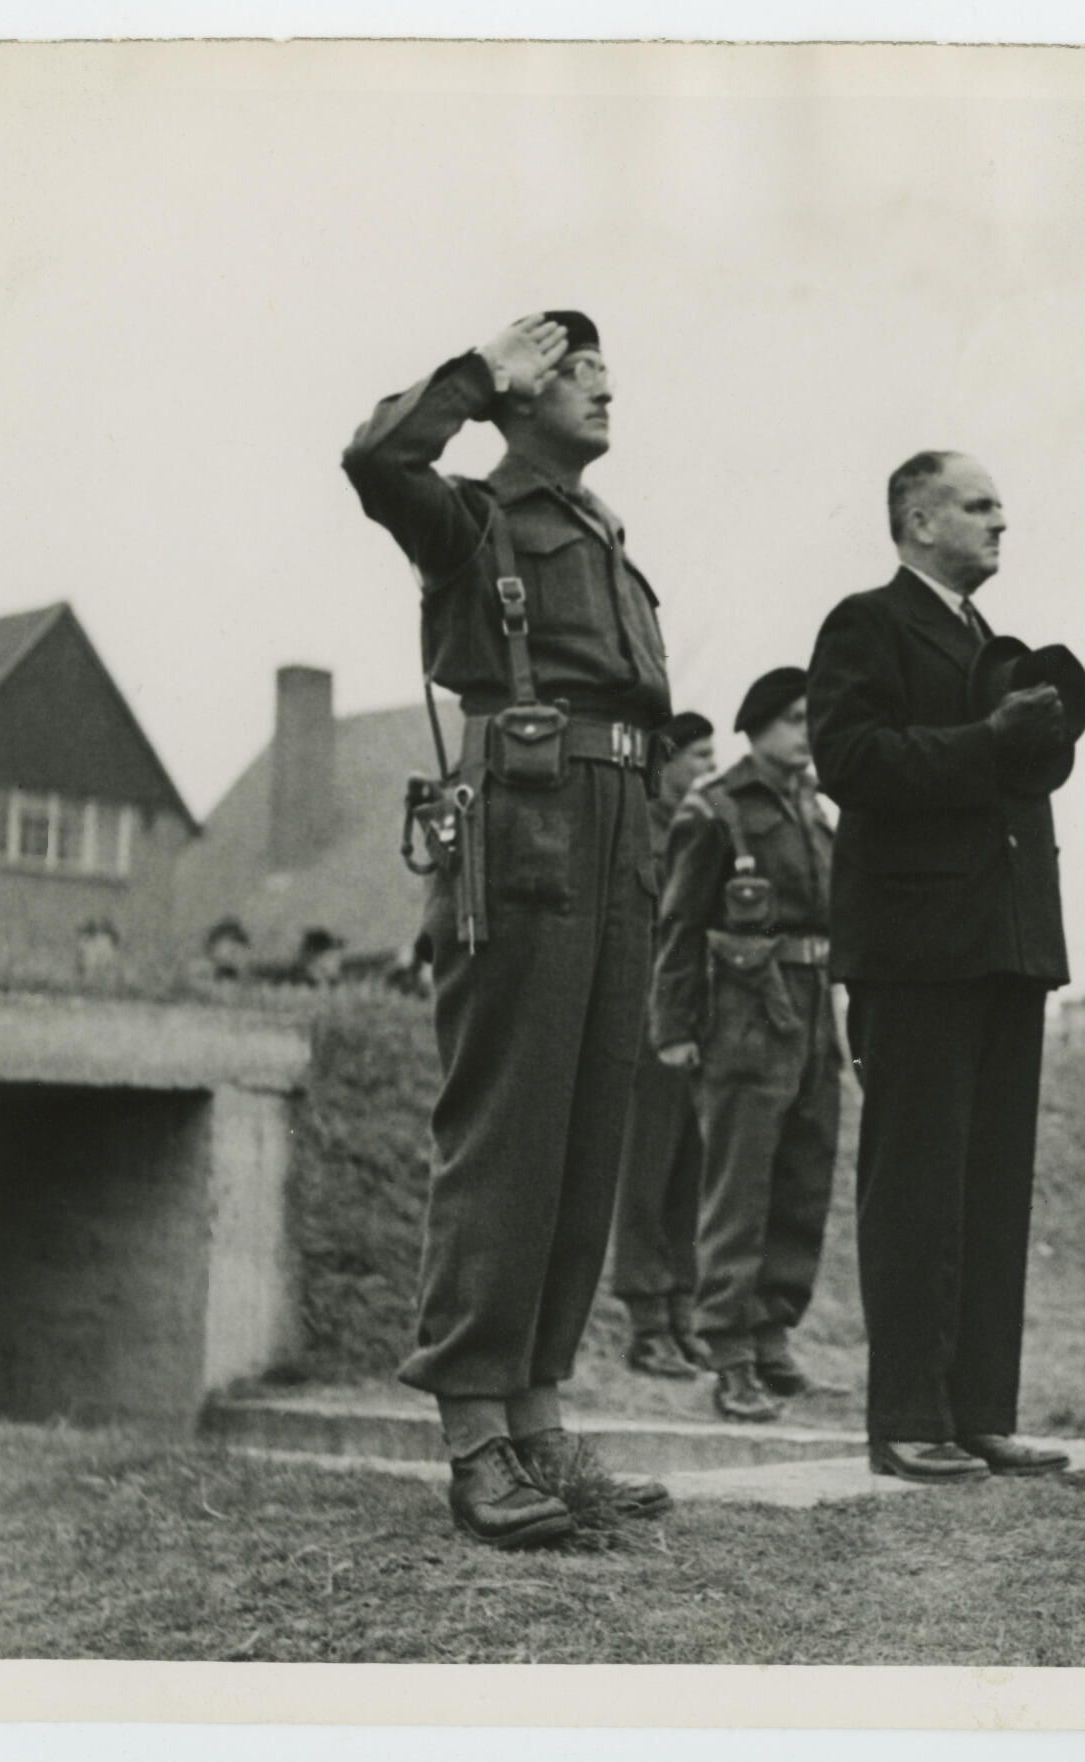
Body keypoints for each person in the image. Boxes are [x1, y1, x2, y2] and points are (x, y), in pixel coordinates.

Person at [342, 309, 672, 1548]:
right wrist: (477, 375)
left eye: (604, 365)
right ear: (520, 393)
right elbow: (376, 458)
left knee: (585, 1128)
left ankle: (537, 1418)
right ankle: (475, 1432)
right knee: (509, 1124)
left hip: (619, 819)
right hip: (526, 817)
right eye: (571, 367)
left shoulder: (603, 531)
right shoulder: (474, 518)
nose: (600, 383)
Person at [806, 450, 1076, 1485]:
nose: (1001, 522)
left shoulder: (989, 642)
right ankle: (909, 1418)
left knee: (991, 1188)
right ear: (918, 521)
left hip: (1003, 945)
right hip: (917, 950)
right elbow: (849, 761)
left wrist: (1026, 738)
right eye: (978, 505)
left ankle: (979, 1413)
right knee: (916, 1186)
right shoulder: (866, 624)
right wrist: (986, 739)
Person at [652, 671, 841, 1422]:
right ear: (757, 726)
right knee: (739, 1191)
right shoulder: (716, 809)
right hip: (744, 1019)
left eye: (813, 718)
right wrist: (673, 1028)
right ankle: (729, 1355)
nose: (806, 732)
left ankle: (772, 1339)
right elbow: (678, 924)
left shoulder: (813, 808)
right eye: (794, 718)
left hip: (812, 1015)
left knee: (802, 1183)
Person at [608, 708, 718, 1379]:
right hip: (651, 1020)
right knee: (647, 1172)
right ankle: (646, 1322)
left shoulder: (707, 829)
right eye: (699, 757)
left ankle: (682, 1310)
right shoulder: (637, 829)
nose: (710, 769)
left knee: (691, 1173)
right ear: (667, 760)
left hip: (703, 1019)